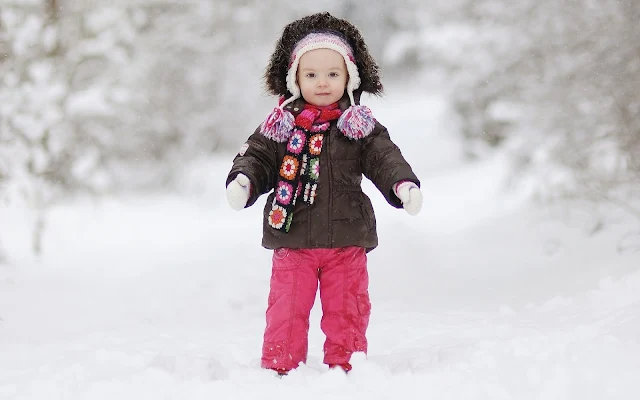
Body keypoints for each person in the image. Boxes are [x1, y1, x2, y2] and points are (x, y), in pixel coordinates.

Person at [225, 12, 422, 375]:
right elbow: (259, 156)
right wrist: (244, 180)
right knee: (286, 308)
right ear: (294, 78)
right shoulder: (280, 125)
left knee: (347, 306)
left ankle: (347, 364)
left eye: (333, 74)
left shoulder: (359, 127)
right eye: (311, 74)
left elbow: (383, 157)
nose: (322, 83)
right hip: (292, 237)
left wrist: (401, 183)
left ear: (350, 76)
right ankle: (280, 365)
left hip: (346, 239)